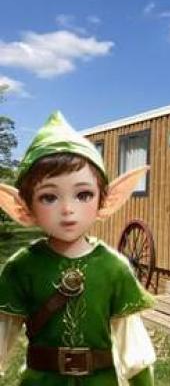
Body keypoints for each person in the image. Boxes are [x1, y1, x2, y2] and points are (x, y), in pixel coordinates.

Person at [0, 111, 156, 385]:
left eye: (83, 195)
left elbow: (133, 347)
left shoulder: (114, 267)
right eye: (49, 197)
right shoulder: (21, 268)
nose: (68, 209)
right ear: (24, 208)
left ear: (105, 200)